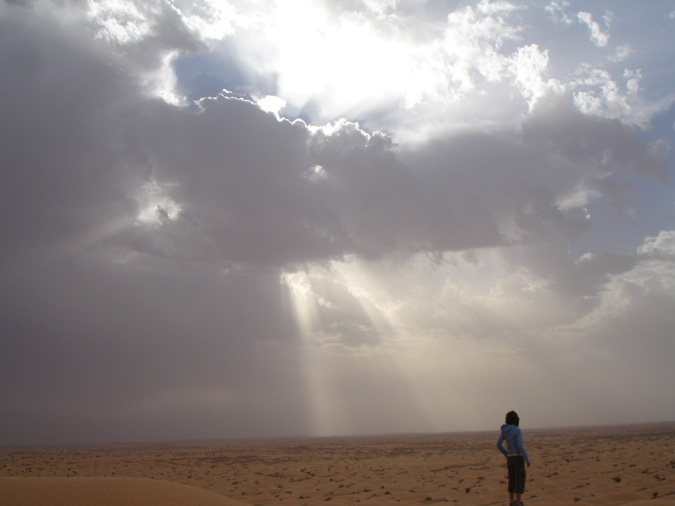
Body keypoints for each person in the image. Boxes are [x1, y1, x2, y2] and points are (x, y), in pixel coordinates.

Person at [497, 410, 530, 506]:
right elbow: (520, 445)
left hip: (510, 458)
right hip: (518, 457)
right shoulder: (517, 430)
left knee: (512, 479)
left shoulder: (504, 430)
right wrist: (526, 458)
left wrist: (506, 453)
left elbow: (498, 444)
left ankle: (512, 502)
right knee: (519, 479)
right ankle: (518, 503)